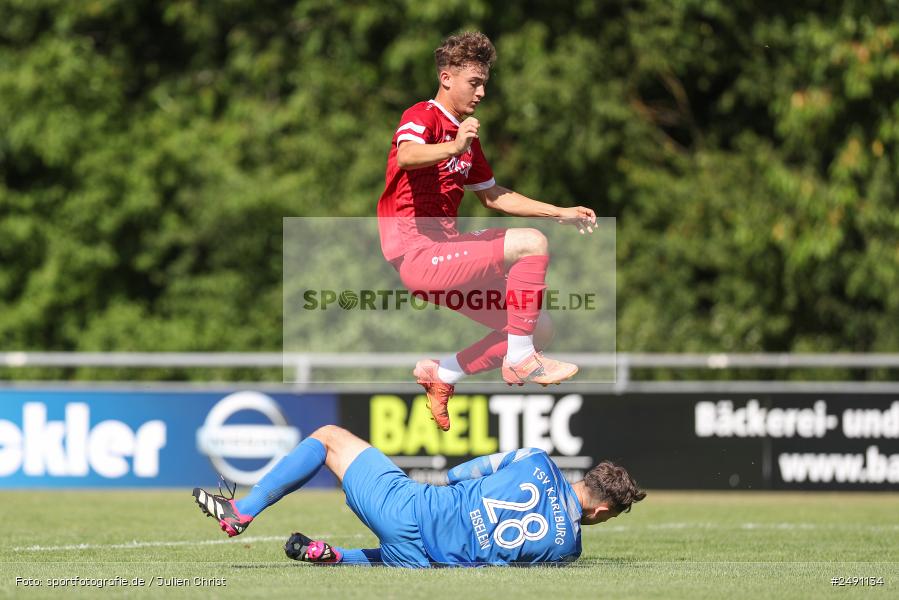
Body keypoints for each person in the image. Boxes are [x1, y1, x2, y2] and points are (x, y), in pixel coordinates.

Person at [377, 31, 598, 431]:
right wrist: (453, 147)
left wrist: (558, 212)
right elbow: (406, 155)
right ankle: (520, 359)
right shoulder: (423, 115)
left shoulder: (466, 138)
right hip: (417, 254)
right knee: (530, 244)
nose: (481, 93)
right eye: (474, 83)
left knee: (538, 327)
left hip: (445, 256)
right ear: (446, 78)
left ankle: (442, 373)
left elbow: (493, 196)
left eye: (484, 84)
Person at [192, 425, 645, 567]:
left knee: (328, 438)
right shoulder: (568, 550)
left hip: (411, 509)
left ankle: (242, 510)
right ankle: (336, 557)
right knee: (407, 553)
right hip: (427, 561)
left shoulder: (537, 460)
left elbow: (460, 473)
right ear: (604, 509)